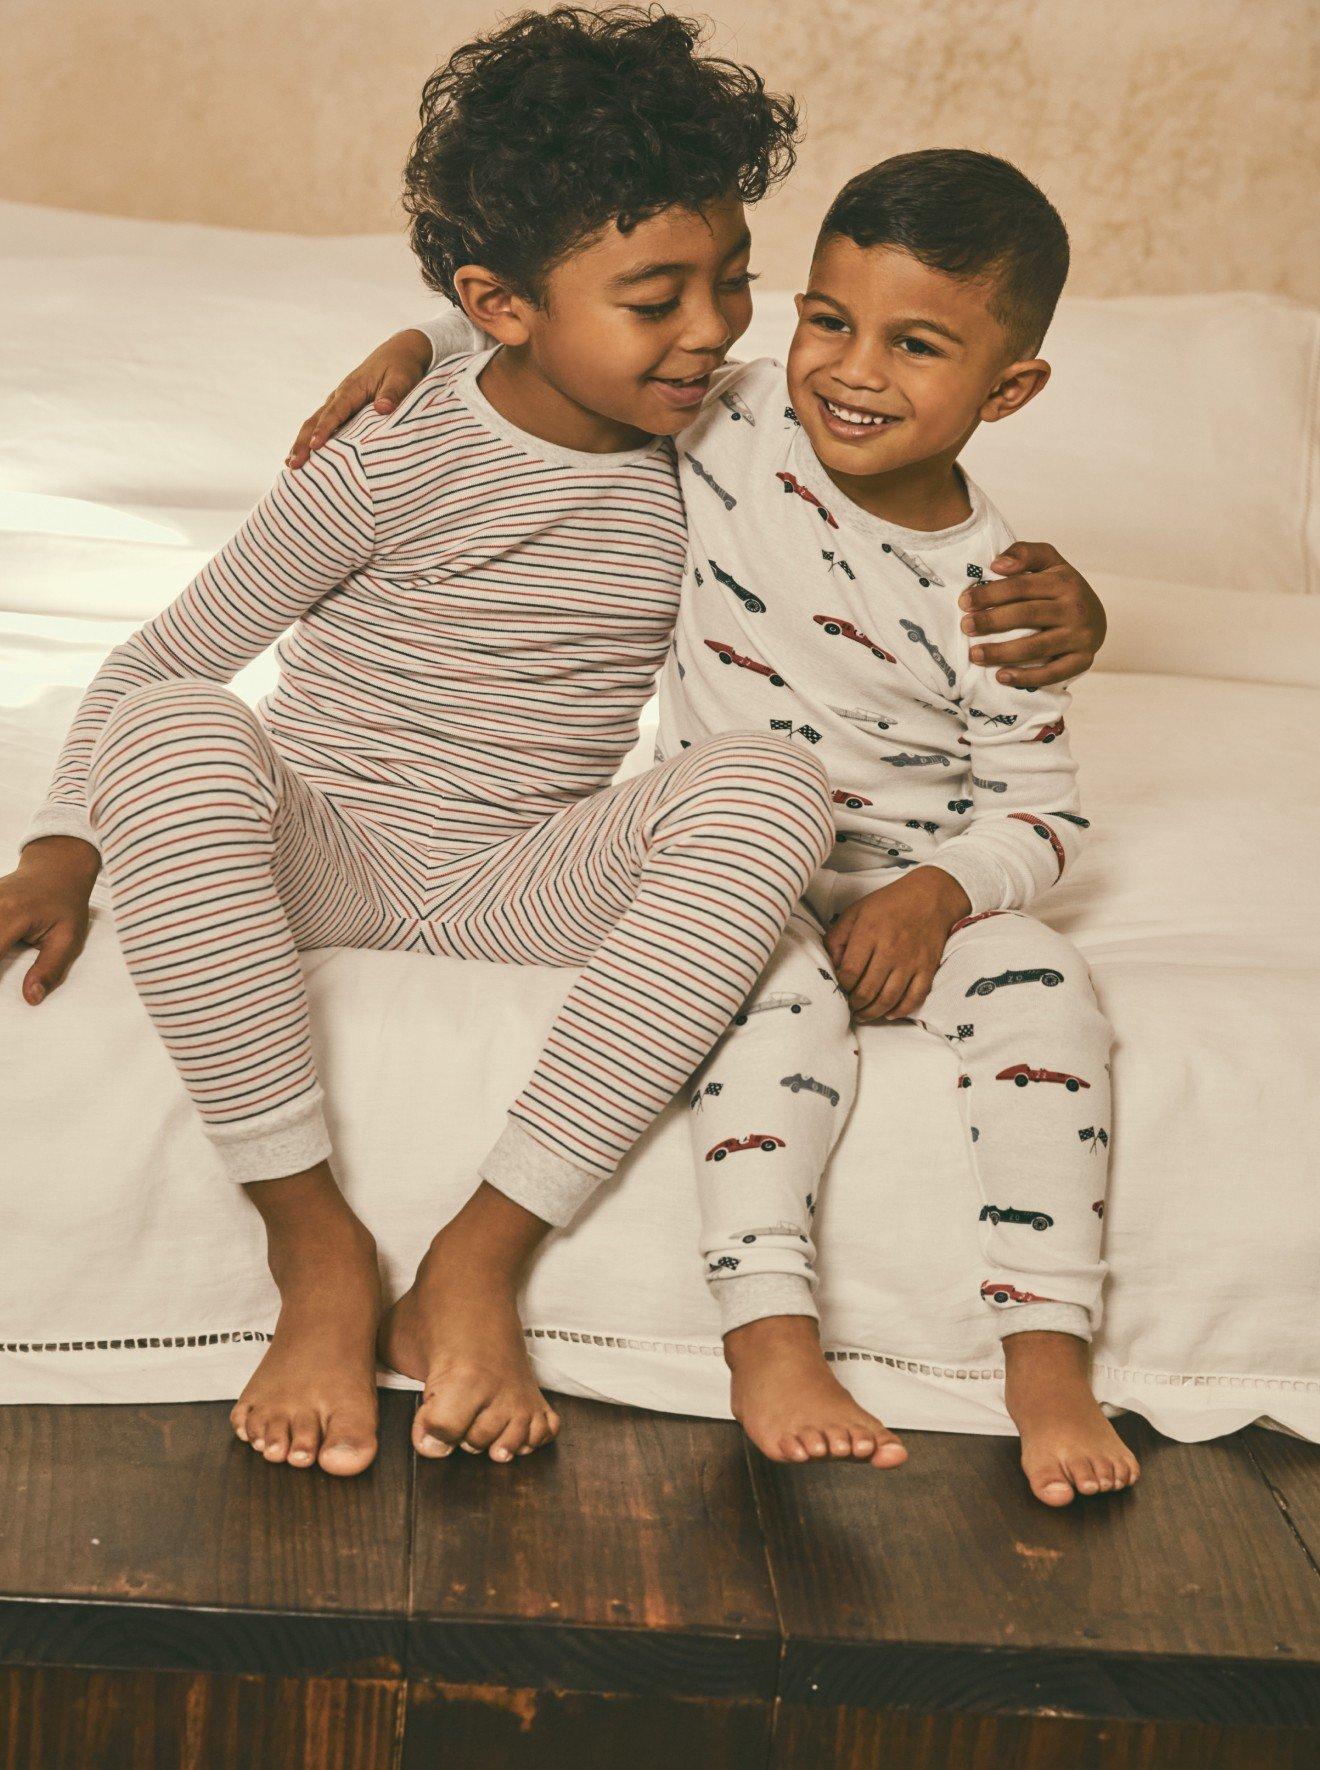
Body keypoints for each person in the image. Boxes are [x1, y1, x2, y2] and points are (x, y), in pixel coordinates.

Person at [3, 9, 1106, 1482]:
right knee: (182, 729)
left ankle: (480, 1250)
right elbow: (166, 655)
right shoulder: (395, 446)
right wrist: (65, 839)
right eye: (661, 300)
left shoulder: (713, 435)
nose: (716, 333)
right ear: (504, 304)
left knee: (775, 783)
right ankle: (316, 1247)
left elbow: (900, 491)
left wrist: (1065, 598)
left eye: (733, 286)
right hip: (323, 847)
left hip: (525, 876)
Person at [301, 144, 1135, 1507]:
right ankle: (770, 1336)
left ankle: (1046, 1359)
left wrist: (940, 894)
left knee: (1054, 996)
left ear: (1010, 387)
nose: (852, 371)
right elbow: (579, 333)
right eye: (826, 318)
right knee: (764, 1016)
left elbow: (1042, 812)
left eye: (915, 345)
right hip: (734, 873)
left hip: (914, 885)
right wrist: (428, 331)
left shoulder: (996, 590)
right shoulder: (733, 421)